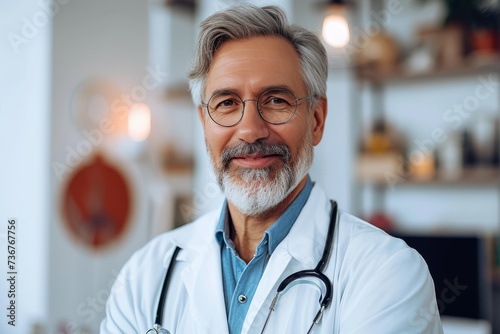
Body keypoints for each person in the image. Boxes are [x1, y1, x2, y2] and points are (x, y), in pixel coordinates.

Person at [101, 4, 443, 334]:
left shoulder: (388, 273)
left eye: (276, 101)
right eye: (227, 103)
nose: (250, 130)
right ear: (204, 123)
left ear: (317, 120)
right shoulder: (144, 277)